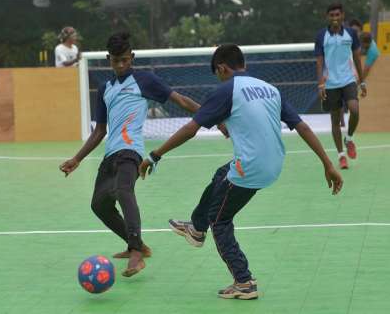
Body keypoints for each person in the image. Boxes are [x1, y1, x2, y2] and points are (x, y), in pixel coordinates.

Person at [139, 44, 343, 300]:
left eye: (218, 74)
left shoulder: (227, 89)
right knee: (220, 174)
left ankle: (244, 281)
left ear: (222, 68)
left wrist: (155, 155)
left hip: (250, 168)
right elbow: (302, 127)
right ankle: (196, 228)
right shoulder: (269, 89)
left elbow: (191, 129)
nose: (219, 78)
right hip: (273, 164)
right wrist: (328, 164)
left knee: (221, 220)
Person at [59, 32, 206, 277]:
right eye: (116, 60)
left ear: (132, 57)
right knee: (99, 206)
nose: (121, 65)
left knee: (123, 190)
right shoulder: (105, 88)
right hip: (110, 154)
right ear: (108, 59)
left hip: (131, 151)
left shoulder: (144, 80)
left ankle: (136, 253)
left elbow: (179, 100)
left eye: (125, 60)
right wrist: (77, 158)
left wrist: (212, 116)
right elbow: (99, 131)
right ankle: (137, 245)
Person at [315, 3, 366, 170]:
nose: (335, 18)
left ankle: (349, 139)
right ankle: (341, 155)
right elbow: (319, 61)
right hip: (330, 83)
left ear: (342, 15)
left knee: (355, 110)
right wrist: (321, 83)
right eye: (332, 15)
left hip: (348, 80)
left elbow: (358, 58)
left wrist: (363, 81)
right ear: (327, 17)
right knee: (335, 120)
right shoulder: (321, 35)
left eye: (337, 14)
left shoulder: (351, 34)